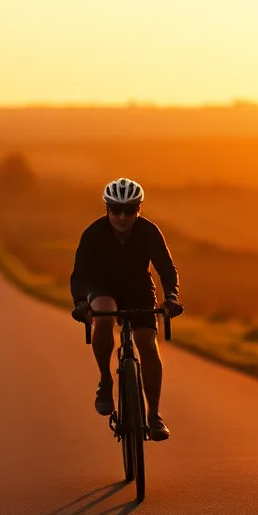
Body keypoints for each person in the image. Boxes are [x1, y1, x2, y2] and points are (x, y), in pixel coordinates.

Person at [69, 177, 184, 441]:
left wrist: (171, 298)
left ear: (138, 210)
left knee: (147, 344)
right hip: (103, 287)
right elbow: (80, 274)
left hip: (138, 289)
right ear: (107, 208)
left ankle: (154, 415)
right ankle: (106, 383)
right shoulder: (93, 234)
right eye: (116, 210)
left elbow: (166, 268)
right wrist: (80, 303)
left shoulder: (149, 231)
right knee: (105, 316)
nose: (122, 216)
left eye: (130, 210)